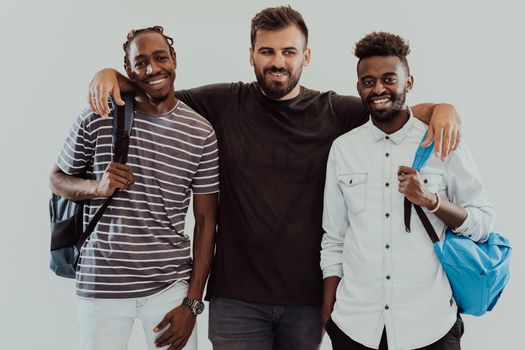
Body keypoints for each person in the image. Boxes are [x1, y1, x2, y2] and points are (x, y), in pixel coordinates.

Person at [86, 7, 461, 350]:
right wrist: (112, 75)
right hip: (236, 298)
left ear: (306, 56)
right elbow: (158, 92)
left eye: (289, 52)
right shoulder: (222, 102)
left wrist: (443, 109)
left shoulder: (333, 111)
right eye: (267, 51)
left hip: (305, 298)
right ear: (251, 54)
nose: (277, 62)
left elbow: (388, 107)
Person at [320, 32, 495, 350]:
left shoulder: (443, 141)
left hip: (430, 327)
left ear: (409, 82)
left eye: (389, 78)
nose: (378, 89)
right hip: (355, 328)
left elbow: (483, 223)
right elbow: (334, 239)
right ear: (359, 87)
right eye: (368, 81)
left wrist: (432, 201)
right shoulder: (343, 149)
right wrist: (328, 317)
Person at [49, 26, 219, 350]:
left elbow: (206, 223)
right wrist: (97, 188)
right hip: (101, 286)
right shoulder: (98, 117)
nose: (152, 69)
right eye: (140, 62)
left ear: (174, 60)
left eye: (160, 58)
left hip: (168, 287)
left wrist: (192, 304)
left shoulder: (201, 133)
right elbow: (56, 180)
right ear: (128, 70)